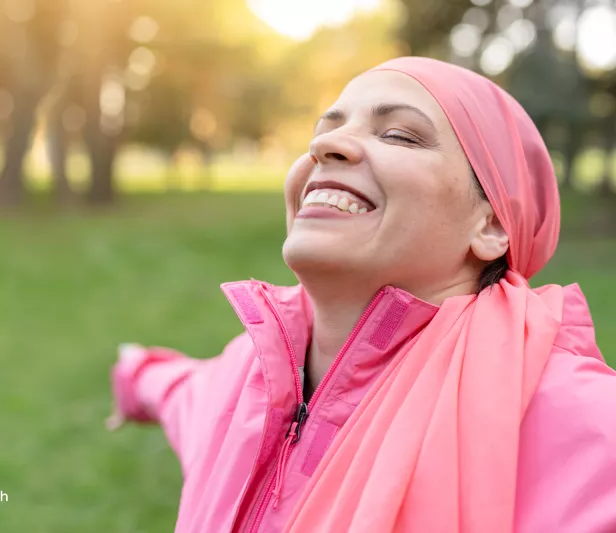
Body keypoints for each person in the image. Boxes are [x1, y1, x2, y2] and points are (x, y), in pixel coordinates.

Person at [106, 57, 616, 533]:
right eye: (326, 131)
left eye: (399, 134)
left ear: (490, 225)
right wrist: (134, 375)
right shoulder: (246, 379)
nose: (326, 148)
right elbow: (176, 389)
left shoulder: (590, 430)